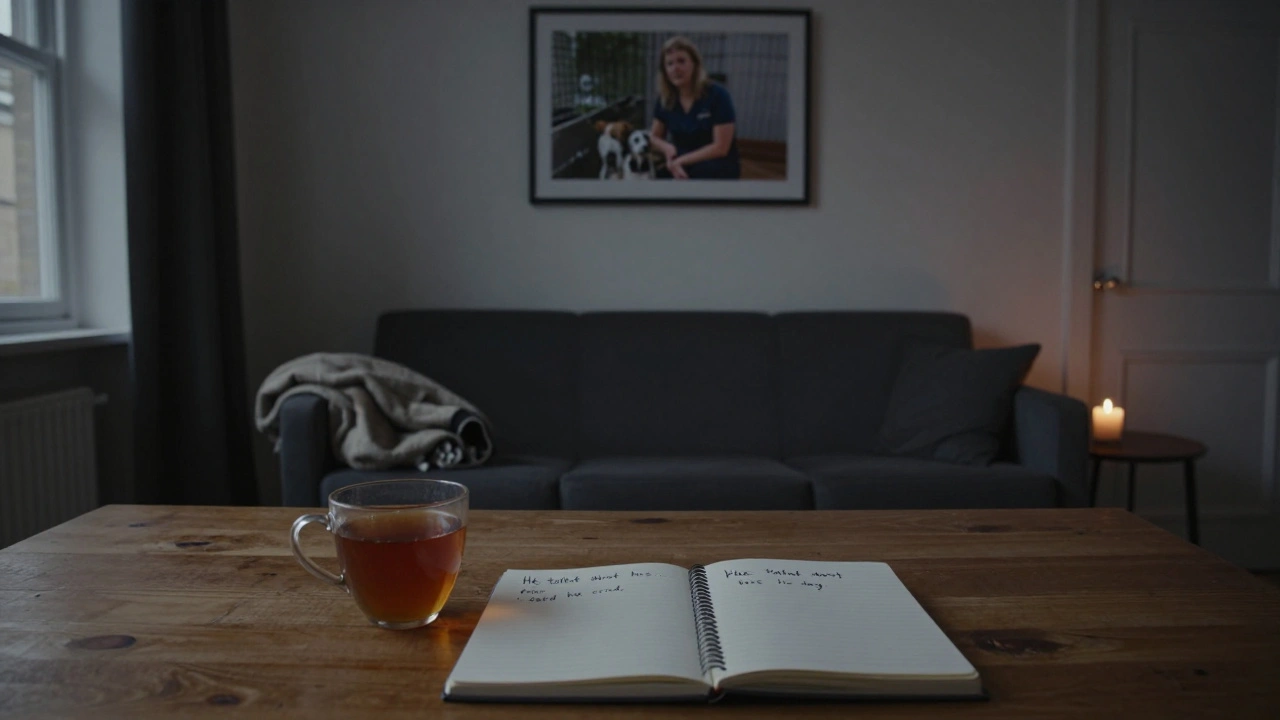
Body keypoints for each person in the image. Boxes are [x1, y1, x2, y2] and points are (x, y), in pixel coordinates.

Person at [649, 36, 741, 180]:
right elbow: (653, 137)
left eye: (681, 61)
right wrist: (668, 150)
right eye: (669, 64)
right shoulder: (665, 100)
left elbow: (721, 147)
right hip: (678, 162)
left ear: (695, 64)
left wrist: (680, 161)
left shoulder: (718, 95)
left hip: (714, 164)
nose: (675, 68)